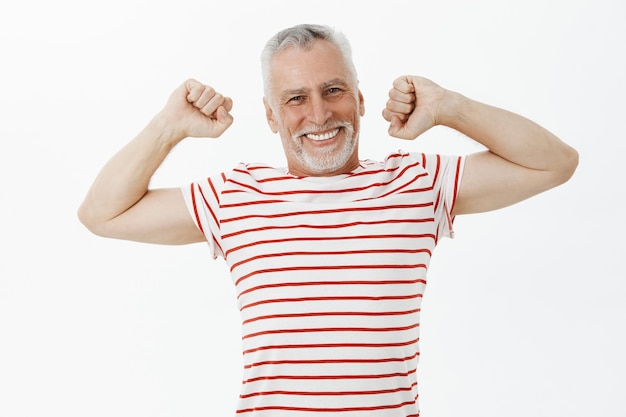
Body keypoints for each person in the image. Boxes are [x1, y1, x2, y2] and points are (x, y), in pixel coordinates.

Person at [78, 24, 578, 416]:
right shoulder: (236, 195)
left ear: (359, 99)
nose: (318, 114)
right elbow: (101, 213)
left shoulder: (415, 183)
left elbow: (555, 162)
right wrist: (168, 127)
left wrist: (450, 107)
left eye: (333, 90)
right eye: (295, 98)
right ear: (272, 116)